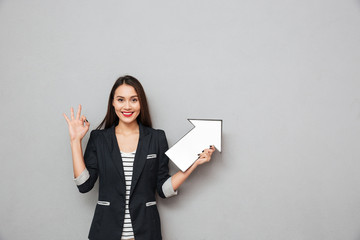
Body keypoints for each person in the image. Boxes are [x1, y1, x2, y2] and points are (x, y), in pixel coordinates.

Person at [63, 75, 215, 240]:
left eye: (134, 100)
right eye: (121, 100)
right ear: (112, 102)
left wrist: (193, 164)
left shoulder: (156, 138)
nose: (127, 106)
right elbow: (84, 185)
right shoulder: (99, 139)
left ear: (141, 103)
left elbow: (163, 190)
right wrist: (75, 141)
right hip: (105, 232)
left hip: (146, 233)